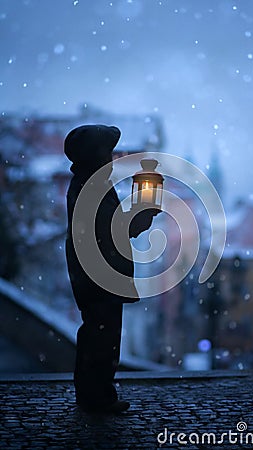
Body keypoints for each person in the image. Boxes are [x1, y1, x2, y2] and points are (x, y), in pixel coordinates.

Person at [64, 124, 159, 414]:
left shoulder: (88, 184)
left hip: (93, 272)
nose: (113, 158)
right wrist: (145, 204)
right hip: (98, 273)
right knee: (102, 334)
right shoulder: (92, 188)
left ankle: (93, 394)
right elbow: (116, 229)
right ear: (97, 156)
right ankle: (97, 397)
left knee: (97, 330)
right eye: (108, 152)